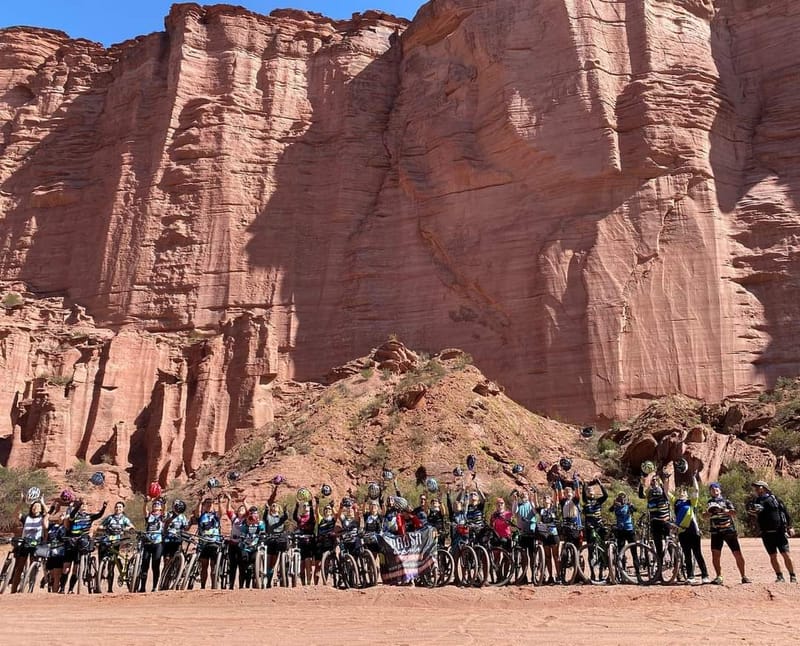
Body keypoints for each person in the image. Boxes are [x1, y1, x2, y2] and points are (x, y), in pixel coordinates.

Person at [750, 481, 796, 583]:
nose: (756, 489)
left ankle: (793, 576)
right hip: (766, 533)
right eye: (755, 487)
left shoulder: (775, 499)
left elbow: (785, 512)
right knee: (772, 555)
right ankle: (779, 576)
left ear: (765, 488)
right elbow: (754, 514)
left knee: (786, 554)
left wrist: (790, 526)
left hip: (779, 531)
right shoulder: (756, 501)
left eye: (758, 487)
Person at [705, 482, 750, 584]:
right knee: (715, 555)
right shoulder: (709, 503)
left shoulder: (726, 501)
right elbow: (704, 516)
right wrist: (708, 513)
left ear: (720, 490)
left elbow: (734, 513)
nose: (714, 490)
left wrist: (723, 510)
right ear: (710, 491)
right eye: (712, 489)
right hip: (716, 532)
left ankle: (744, 576)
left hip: (729, 531)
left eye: (716, 488)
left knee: (737, 553)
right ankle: (719, 577)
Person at [63, 499, 107, 593]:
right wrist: (78, 505)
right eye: (82, 505)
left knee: (76, 569)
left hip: (83, 542)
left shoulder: (89, 516)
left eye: (85, 505)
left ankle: (71, 589)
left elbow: (99, 515)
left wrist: (104, 507)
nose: (84, 506)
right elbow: (71, 515)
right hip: (71, 542)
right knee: (66, 568)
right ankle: (62, 588)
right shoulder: (74, 515)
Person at [671, 475, 709, 584]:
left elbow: (696, 490)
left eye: (684, 492)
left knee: (697, 553)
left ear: (687, 494)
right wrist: (665, 479)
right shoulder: (676, 502)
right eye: (680, 492)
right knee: (687, 554)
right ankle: (690, 576)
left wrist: (693, 478)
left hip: (693, 531)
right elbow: (665, 492)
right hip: (682, 532)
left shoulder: (691, 502)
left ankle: (705, 575)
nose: (681, 493)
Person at [9, 499, 48, 593]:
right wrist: (21, 502)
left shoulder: (42, 517)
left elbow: (48, 514)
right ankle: (13, 590)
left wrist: (43, 503)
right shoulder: (26, 517)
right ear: (31, 508)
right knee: (19, 567)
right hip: (25, 543)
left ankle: (29, 587)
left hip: (36, 544)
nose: (35, 508)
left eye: (38, 506)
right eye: (34, 506)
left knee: (32, 565)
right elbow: (15, 514)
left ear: (41, 509)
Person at [638, 472, 672, 574]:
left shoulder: (664, 492)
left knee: (669, 543)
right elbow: (641, 495)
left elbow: (666, 488)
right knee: (658, 547)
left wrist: (666, 479)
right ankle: (660, 569)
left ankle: (676, 565)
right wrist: (641, 483)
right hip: (654, 522)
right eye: (653, 480)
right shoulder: (649, 493)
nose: (654, 481)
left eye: (656, 480)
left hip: (665, 521)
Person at [98, 501, 135, 592]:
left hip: (118, 540)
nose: (118, 508)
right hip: (107, 540)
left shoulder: (124, 519)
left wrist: (128, 528)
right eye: (116, 507)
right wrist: (103, 528)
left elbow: (131, 526)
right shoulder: (110, 518)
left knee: (111, 565)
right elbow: (100, 526)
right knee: (102, 560)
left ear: (123, 509)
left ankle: (110, 589)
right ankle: (98, 581)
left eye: (120, 507)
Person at [193, 497, 223, 589]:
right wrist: (199, 501)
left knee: (213, 566)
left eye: (211, 503)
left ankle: (214, 586)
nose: (209, 504)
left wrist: (219, 502)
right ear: (204, 505)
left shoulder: (215, 516)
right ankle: (202, 586)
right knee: (204, 566)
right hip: (203, 544)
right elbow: (196, 513)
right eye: (207, 503)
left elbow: (221, 512)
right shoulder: (202, 515)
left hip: (214, 543)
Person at [263, 484, 288, 587]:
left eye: (276, 506)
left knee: (274, 561)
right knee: (269, 562)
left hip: (279, 539)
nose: (274, 507)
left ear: (279, 509)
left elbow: (285, 517)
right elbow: (264, 517)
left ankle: (277, 576)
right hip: (270, 539)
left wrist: (286, 511)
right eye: (273, 506)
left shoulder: (280, 518)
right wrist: (265, 509)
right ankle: (268, 580)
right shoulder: (268, 517)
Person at [161, 499, 190, 587]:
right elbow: (164, 521)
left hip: (178, 540)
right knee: (166, 560)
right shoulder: (169, 514)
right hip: (167, 539)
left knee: (179, 558)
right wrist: (172, 517)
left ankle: (179, 578)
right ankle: (164, 581)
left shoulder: (182, 516)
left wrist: (190, 523)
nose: (175, 506)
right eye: (174, 505)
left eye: (176, 505)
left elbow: (185, 528)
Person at [139, 497, 165, 592]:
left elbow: (164, 510)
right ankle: (142, 587)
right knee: (144, 565)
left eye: (157, 504)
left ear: (160, 508)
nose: (155, 505)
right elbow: (144, 510)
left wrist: (164, 503)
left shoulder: (162, 516)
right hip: (147, 542)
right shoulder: (149, 515)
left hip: (158, 542)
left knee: (155, 565)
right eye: (154, 504)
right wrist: (146, 502)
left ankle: (154, 586)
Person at [534, 491, 560, 584]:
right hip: (545, 535)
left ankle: (559, 575)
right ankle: (550, 576)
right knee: (548, 557)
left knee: (556, 556)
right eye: (544, 498)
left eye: (548, 498)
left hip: (554, 534)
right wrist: (535, 493)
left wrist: (555, 490)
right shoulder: (541, 510)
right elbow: (535, 504)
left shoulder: (554, 509)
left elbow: (556, 499)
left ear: (551, 500)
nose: (546, 499)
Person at [512, 489, 537, 583]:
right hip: (521, 533)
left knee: (532, 556)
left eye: (525, 495)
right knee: (523, 556)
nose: (524, 497)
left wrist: (531, 500)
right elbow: (514, 512)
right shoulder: (518, 505)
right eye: (522, 495)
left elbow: (535, 512)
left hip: (531, 532)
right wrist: (515, 500)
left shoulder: (531, 504)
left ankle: (534, 576)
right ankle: (524, 576)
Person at [223, 494, 248, 589]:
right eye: (240, 510)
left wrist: (244, 502)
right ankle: (231, 585)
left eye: (243, 510)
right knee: (232, 566)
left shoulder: (246, 520)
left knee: (242, 566)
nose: (241, 511)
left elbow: (249, 511)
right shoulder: (235, 519)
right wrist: (229, 500)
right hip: (232, 544)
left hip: (242, 545)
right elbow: (228, 511)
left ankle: (241, 586)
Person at [238, 506, 265, 588]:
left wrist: (262, 536)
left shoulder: (260, 523)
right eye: (251, 513)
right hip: (245, 547)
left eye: (254, 513)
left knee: (252, 565)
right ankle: (241, 585)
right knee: (243, 564)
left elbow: (263, 532)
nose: (252, 516)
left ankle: (251, 584)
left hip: (255, 547)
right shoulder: (244, 523)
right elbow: (242, 533)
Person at [293, 496, 316, 585]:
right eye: (304, 506)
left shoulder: (311, 518)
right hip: (301, 542)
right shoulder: (301, 518)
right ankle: (303, 583)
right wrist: (297, 506)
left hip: (309, 542)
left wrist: (310, 504)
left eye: (307, 506)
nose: (305, 507)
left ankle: (309, 582)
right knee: (302, 564)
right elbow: (295, 517)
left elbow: (312, 518)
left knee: (307, 562)